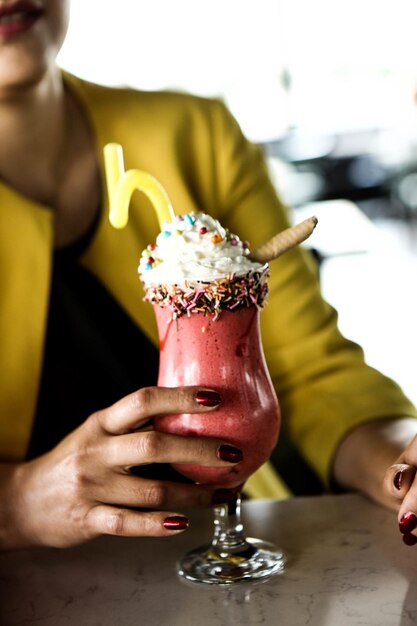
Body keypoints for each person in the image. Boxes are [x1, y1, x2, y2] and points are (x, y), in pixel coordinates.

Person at [1, 0, 417, 550]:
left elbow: (316, 375)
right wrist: (15, 503)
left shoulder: (196, 133)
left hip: (240, 565)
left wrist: (404, 463)